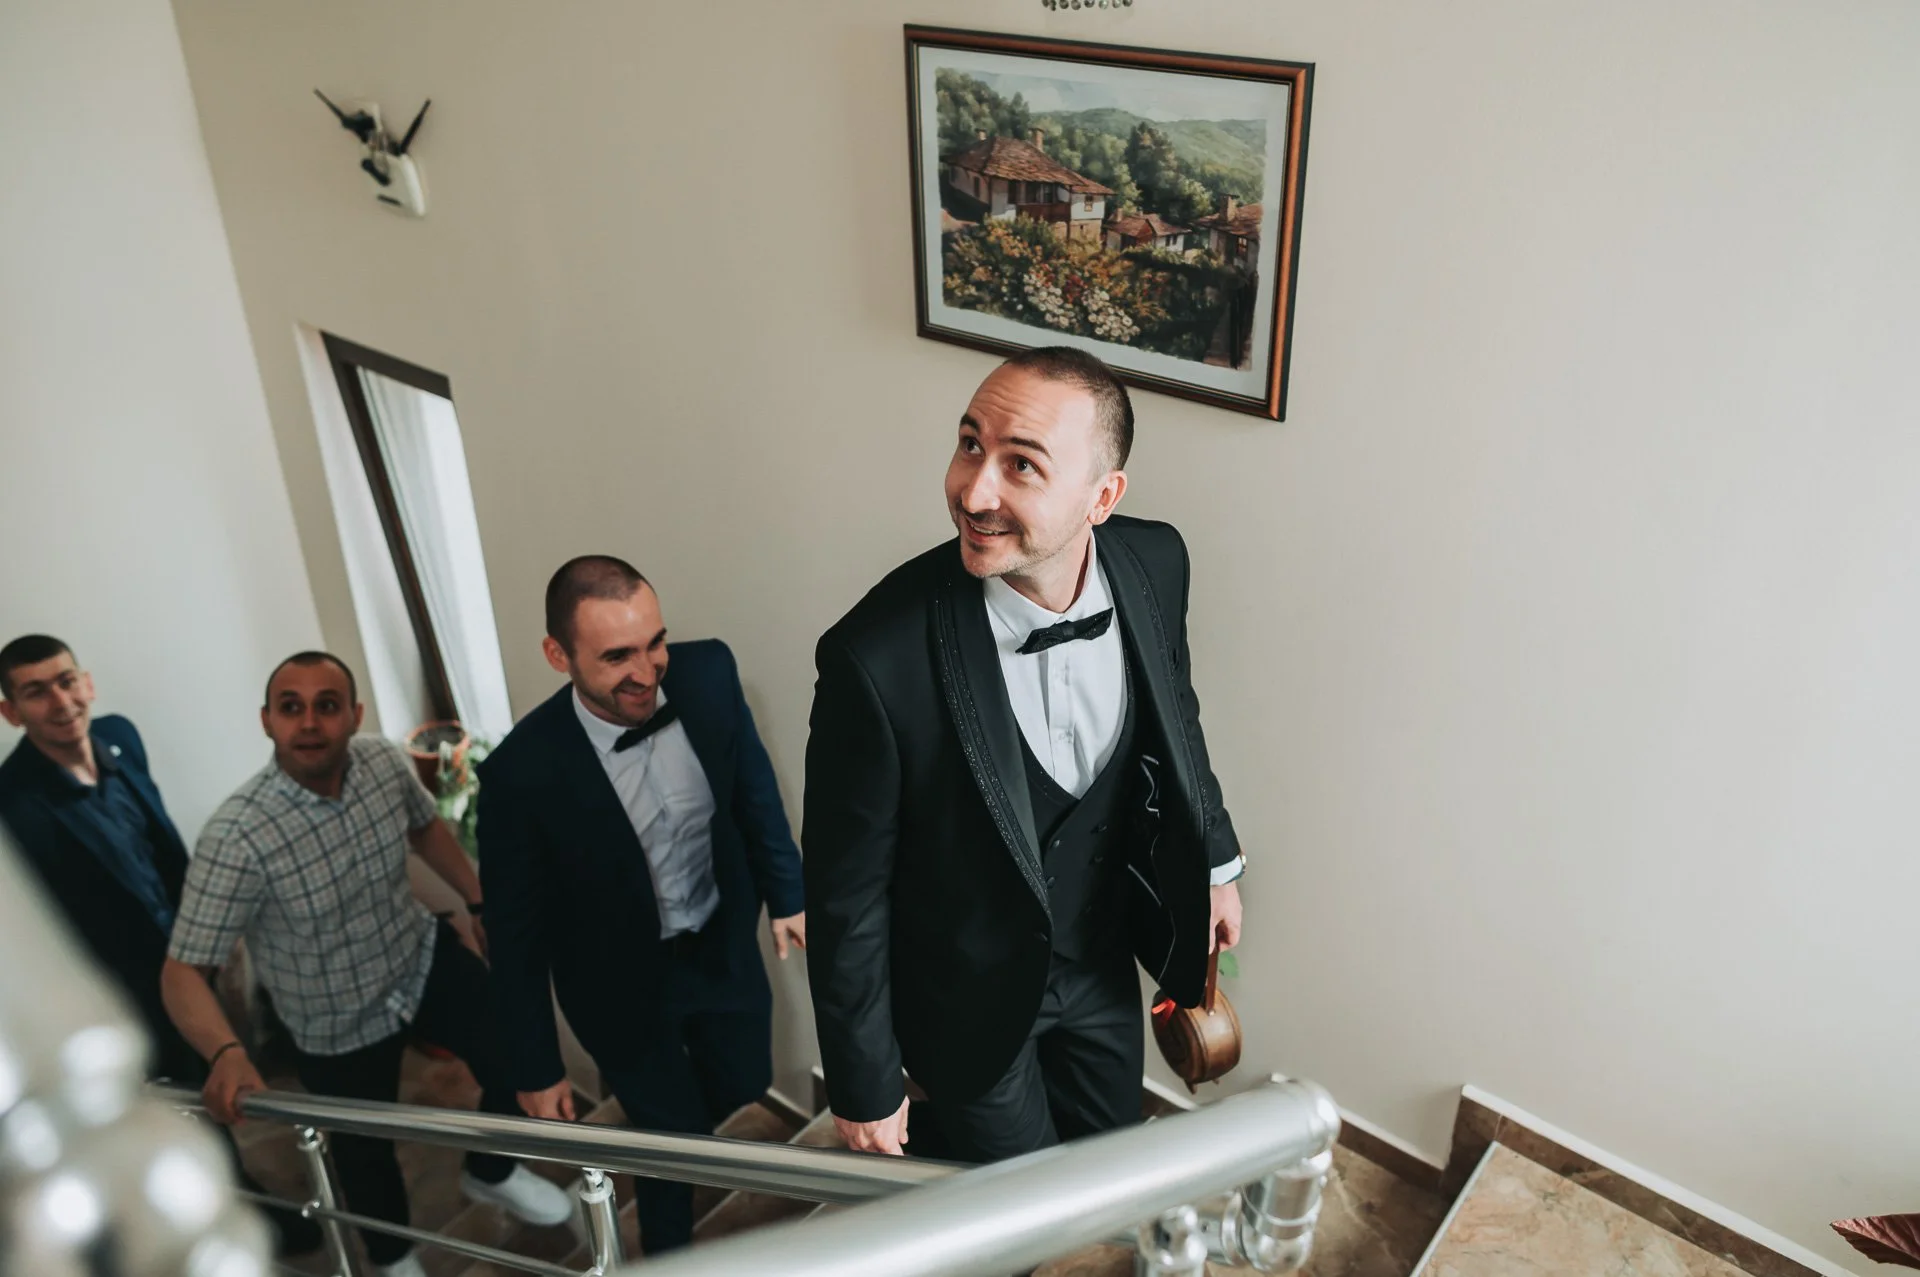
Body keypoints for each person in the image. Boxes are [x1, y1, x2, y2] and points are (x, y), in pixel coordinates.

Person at [804, 347, 1248, 1163]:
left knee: (1106, 1162)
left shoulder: (1157, 563)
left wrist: (1215, 857)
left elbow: (1175, 712)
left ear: (1102, 497)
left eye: (1021, 465)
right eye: (970, 444)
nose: (973, 492)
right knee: (1018, 1203)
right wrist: (862, 1075)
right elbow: (846, 893)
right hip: (965, 997)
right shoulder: (874, 659)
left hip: (1103, 963)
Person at [159, 651, 571, 1277]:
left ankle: (491, 1170)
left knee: (519, 1052)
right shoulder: (236, 837)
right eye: (290, 707)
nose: (310, 723)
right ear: (267, 721)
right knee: (366, 1155)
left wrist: (477, 899)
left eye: (327, 705)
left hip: (416, 958)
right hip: (333, 1019)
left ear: (353, 715)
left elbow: (424, 827)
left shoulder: (381, 760)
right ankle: (394, 1256)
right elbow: (183, 971)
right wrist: (225, 1051)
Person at [479, 557, 806, 1255]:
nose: (648, 669)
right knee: (672, 1140)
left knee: (743, 1083)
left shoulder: (711, 673)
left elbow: (754, 788)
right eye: (617, 655)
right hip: (617, 985)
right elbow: (514, 939)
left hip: (720, 945)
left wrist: (789, 892)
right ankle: (661, 1255)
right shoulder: (517, 775)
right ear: (557, 655)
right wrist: (534, 1067)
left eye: (654, 642)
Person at [0, 634, 321, 1257]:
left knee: (220, 1066)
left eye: (66, 681)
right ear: (11, 711)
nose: (60, 701)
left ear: (86, 683)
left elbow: (162, 844)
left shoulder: (123, 735)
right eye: (36, 692)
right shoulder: (12, 806)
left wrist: (210, 936)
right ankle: (234, 1197)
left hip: (188, 951)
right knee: (187, 1099)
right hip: (128, 986)